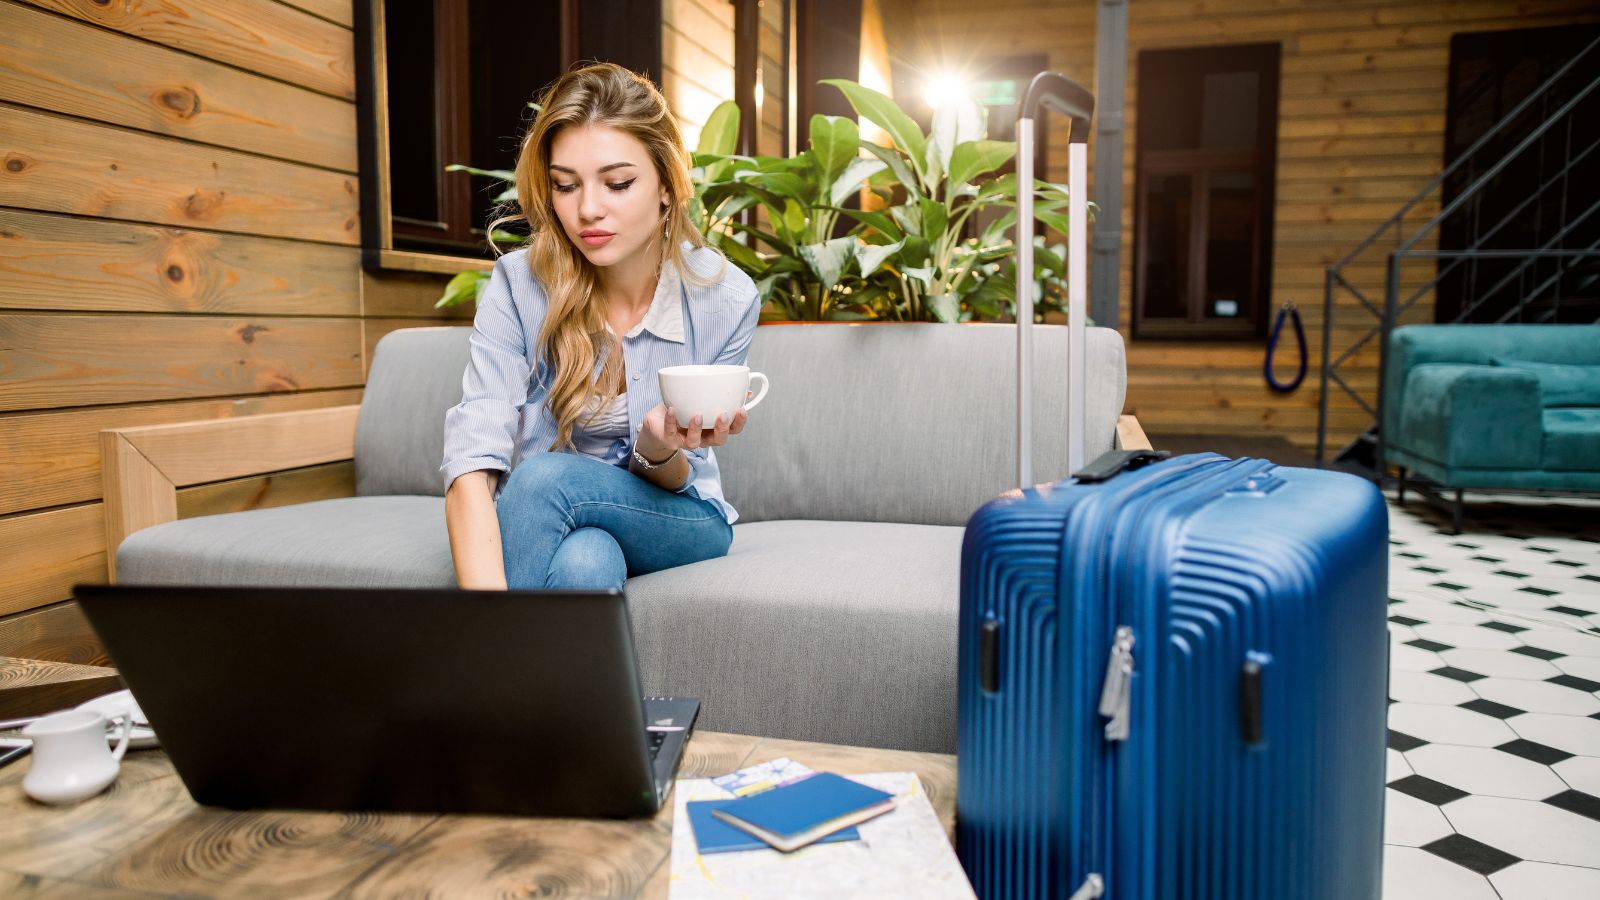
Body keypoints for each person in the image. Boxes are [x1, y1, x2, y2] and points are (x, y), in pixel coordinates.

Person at [440, 63, 760, 592]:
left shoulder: (724, 298)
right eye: (566, 186)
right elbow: (472, 462)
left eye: (618, 183)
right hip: (556, 517)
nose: (588, 209)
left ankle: (485, 672)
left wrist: (657, 446)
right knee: (584, 562)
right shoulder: (519, 286)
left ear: (665, 185)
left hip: (679, 514)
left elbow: (683, 473)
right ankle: (536, 673)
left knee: (542, 479)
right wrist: (486, 613)